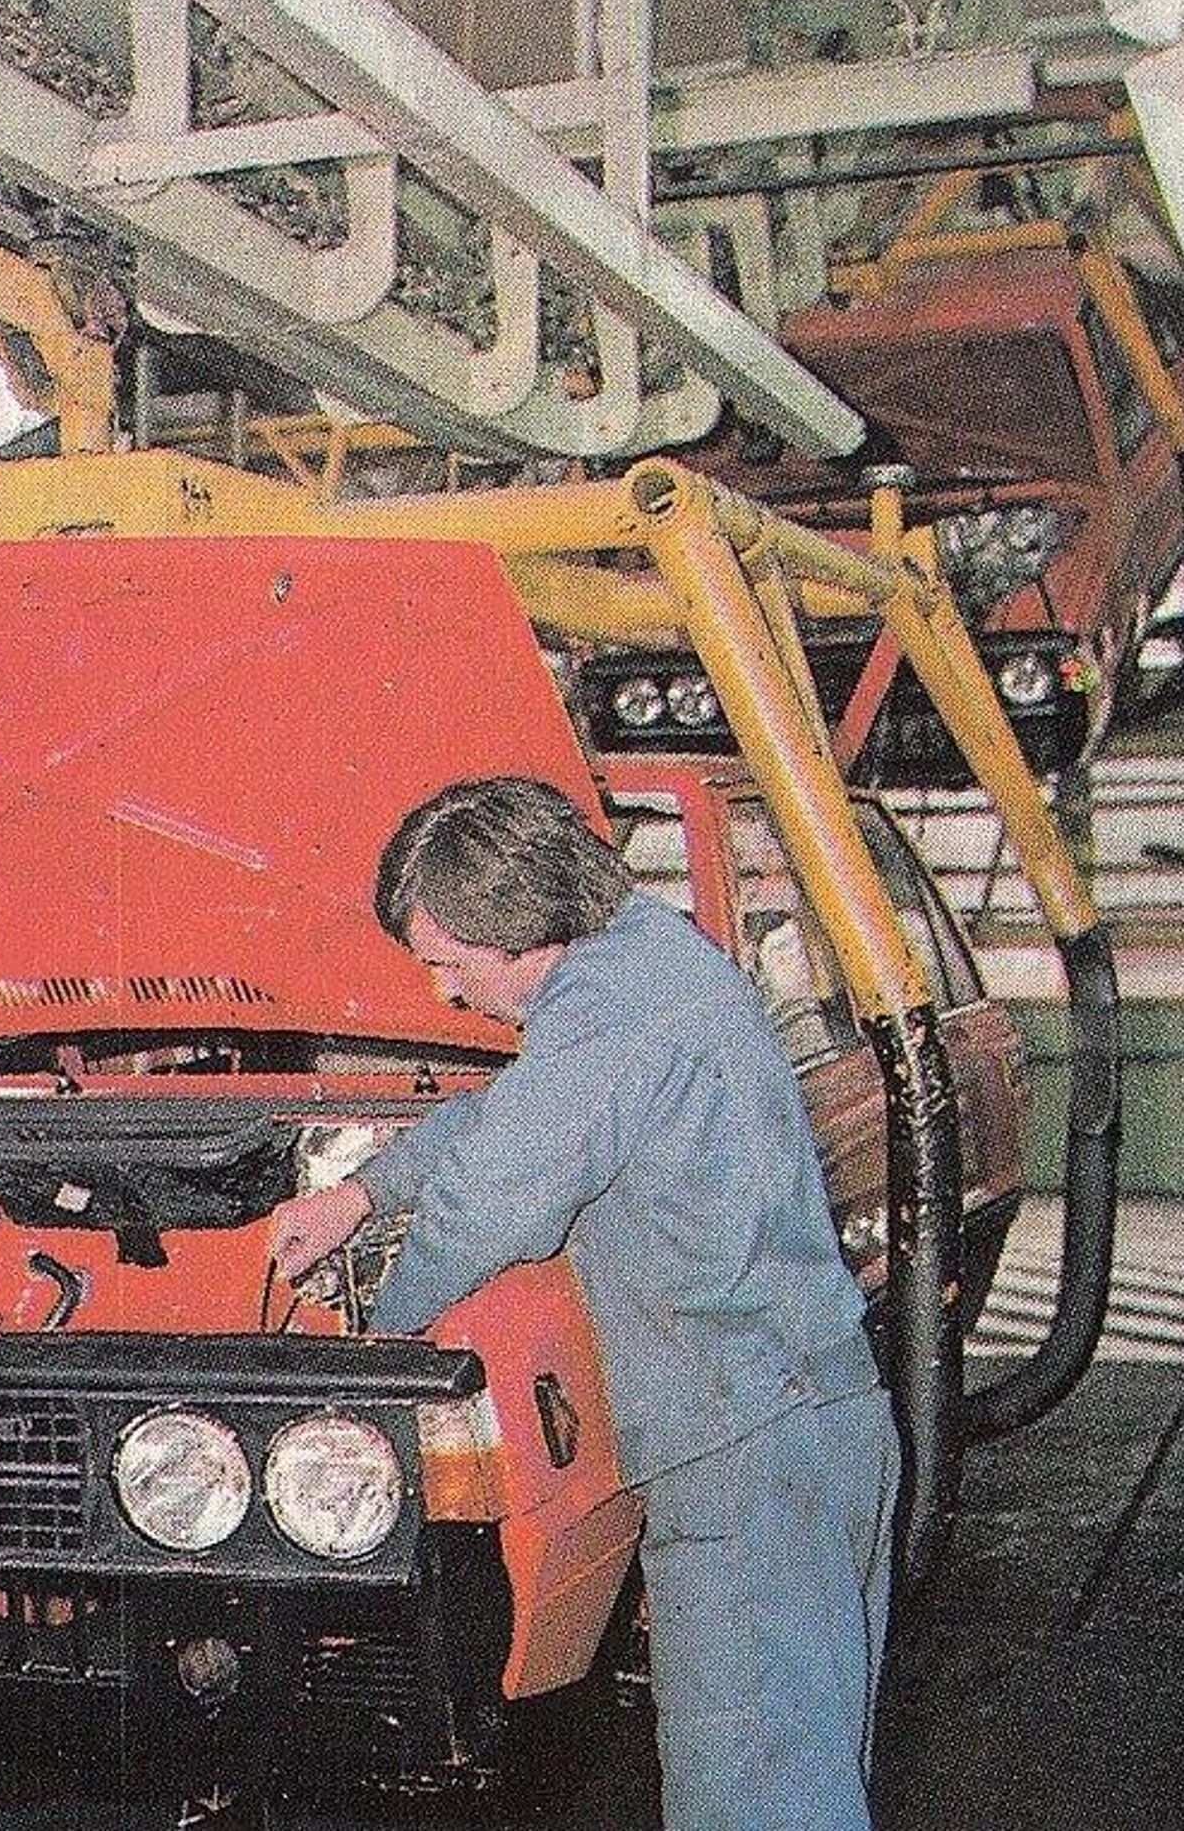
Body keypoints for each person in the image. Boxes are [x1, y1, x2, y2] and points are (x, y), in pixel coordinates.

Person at [270, 776, 899, 1831]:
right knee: (801, 1776)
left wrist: (368, 1346)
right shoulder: (644, 959)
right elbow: (503, 1121)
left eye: (448, 965)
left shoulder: (612, 1013)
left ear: (518, 931)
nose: (442, 996)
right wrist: (361, 1192)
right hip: (802, 1428)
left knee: (753, 1800)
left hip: (745, 1454)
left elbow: (490, 1205)